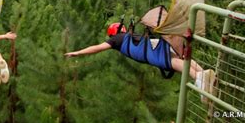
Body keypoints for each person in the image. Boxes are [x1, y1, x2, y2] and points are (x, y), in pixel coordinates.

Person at [65, 23, 215, 100]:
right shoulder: (132, 35)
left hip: (152, 52)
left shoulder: (116, 40)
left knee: (171, 62)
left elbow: (97, 48)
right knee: (177, 58)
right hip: (156, 44)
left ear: (113, 34)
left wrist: (77, 53)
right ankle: (203, 73)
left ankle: (199, 77)